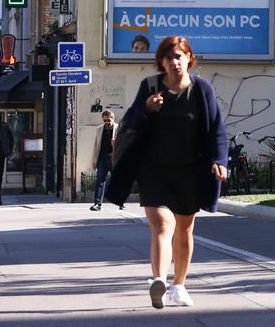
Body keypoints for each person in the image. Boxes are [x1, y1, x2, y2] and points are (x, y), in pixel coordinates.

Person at [105, 35, 227, 309]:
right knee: (162, 224)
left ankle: (179, 285)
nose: (174, 62)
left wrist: (220, 160)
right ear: (161, 61)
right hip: (154, 170)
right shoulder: (150, 87)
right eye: (168, 57)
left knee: (184, 228)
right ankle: (159, 280)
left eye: (179, 56)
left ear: (189, 59)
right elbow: (130, 122)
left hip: (189, 171)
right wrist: (146, 109)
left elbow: (216, 129)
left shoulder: (201, 90)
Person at [90, 108, 118, 210]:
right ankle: (97, 204)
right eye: (105, 120)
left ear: (113, 119)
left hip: (114, 158)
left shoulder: (119, 128)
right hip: (102, 157)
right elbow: (95, 145)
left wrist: (117, 143)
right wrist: (94, 160)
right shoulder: (99, 129)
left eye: (108, 120)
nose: (106, 122)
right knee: (100, 180)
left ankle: (120, 202)